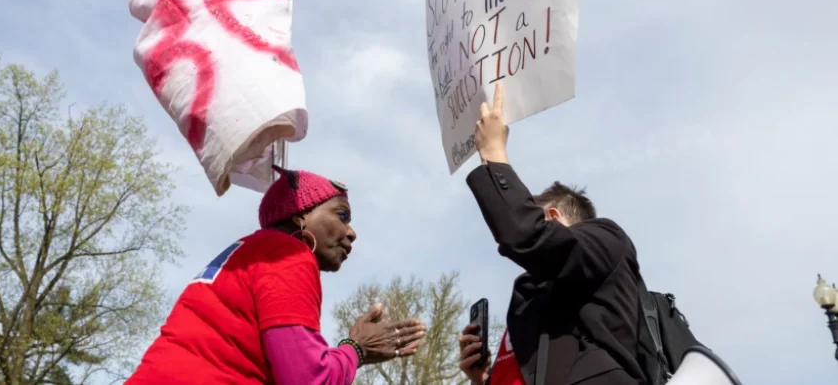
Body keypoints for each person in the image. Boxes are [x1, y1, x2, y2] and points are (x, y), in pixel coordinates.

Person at [127, 166, 427, 385]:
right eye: (341, 215)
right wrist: (357, 349)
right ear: (300, 214)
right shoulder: (287, 255)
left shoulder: (251, 250)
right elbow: (309, 379)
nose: (351, 232)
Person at [457, 83, 643, 385]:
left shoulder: (607, 240)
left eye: (533, 212)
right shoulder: (536, 295)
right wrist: (485, 379)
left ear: (553, 217)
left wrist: (492, 153)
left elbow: (525, 236)